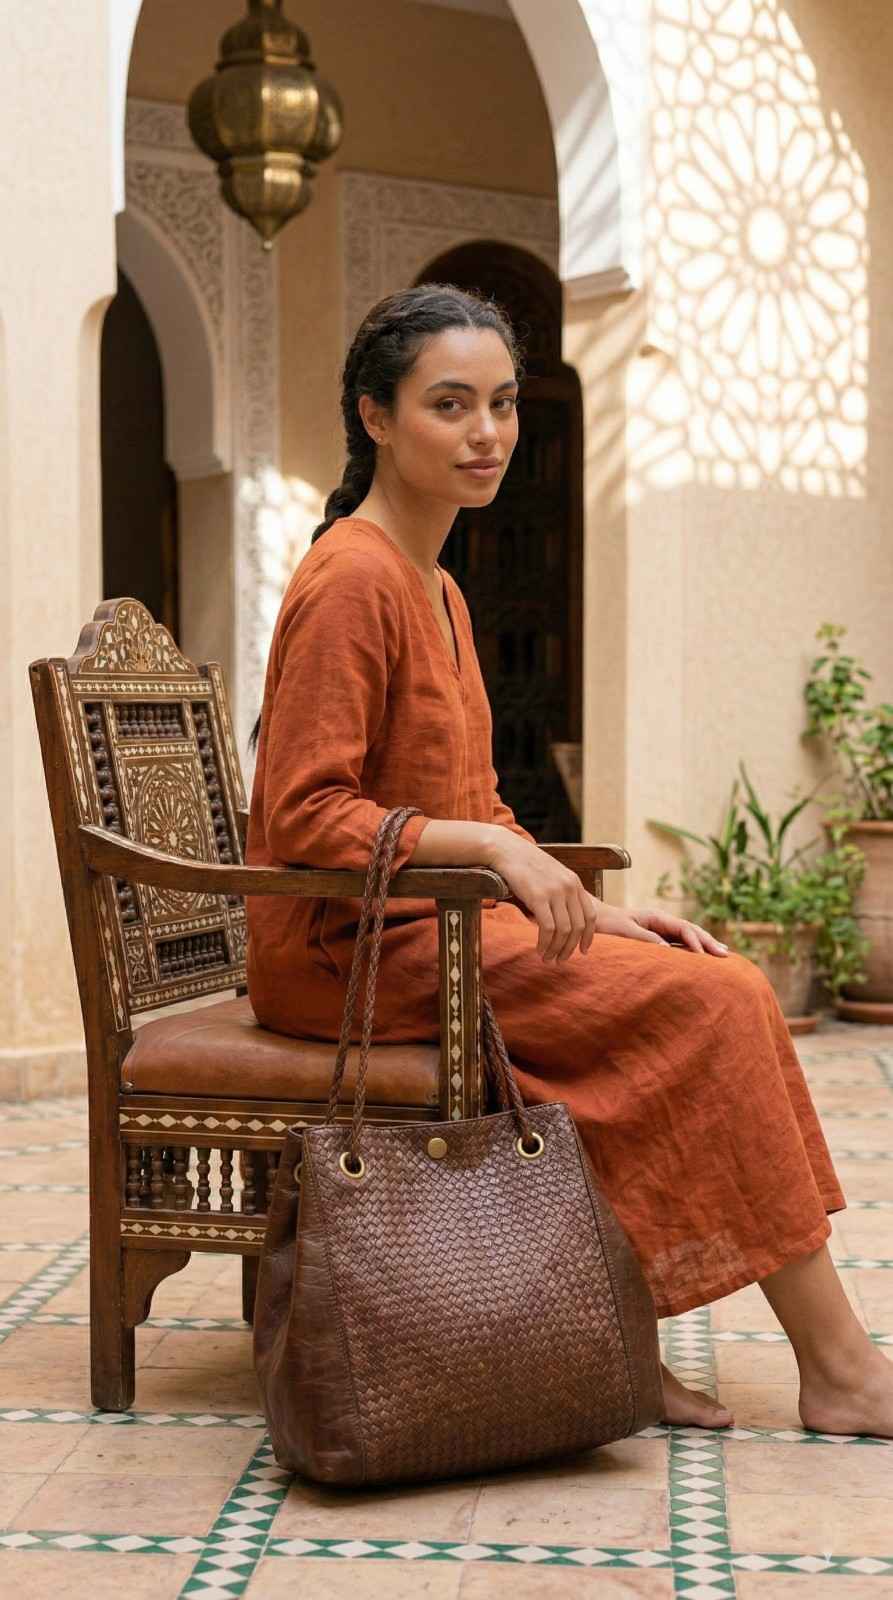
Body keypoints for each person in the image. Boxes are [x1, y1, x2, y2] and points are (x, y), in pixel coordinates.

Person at [246, 283, 893, 1437]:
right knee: (718, 1007)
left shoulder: (435, 584)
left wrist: (598, 911)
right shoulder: (352, 579)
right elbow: (305, 815)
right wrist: (494, 848)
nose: (487, 431)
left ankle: (607, 1336)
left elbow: (469, 797)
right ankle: (840, 1371)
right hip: (352, 946)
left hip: (437, 922)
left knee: (690, 981)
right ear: (376, 417)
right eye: (449, 404)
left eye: (501, 402)